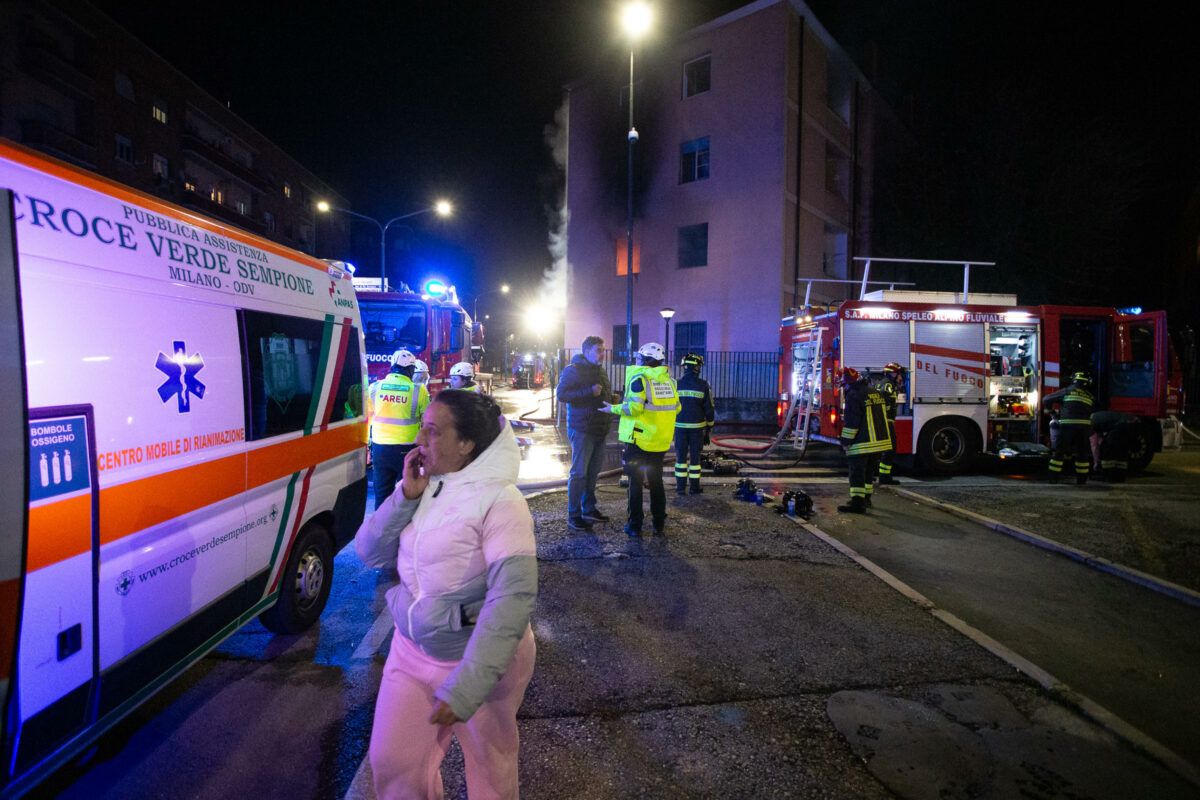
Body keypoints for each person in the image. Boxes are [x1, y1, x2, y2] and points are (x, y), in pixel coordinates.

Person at [356, 390, 537, 800]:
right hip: (411, 651)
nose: (419, 439)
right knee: (393, 764)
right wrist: (406, 495)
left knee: (490, 774)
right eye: (421, 426)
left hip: (477, 660)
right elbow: (368, 552)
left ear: (466, 444)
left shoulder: (502, 501)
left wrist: (468, 685)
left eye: (432, 431)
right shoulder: (423, 487)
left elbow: (514, 596)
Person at [602, 342, 679, 536]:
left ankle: (634, 525)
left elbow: (633, 408)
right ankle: (659, 522)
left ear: (646, 360)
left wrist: (612, 408)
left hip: (639, 440)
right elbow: (676, 408)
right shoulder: (670, 381)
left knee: (635, 482)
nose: (636, 360)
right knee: (656, 481)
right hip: (660, 441)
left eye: (639, 357)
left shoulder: (640, 379)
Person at [555, 335, 614, 531]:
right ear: (587, 351)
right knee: (579, 473)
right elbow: (562, 394)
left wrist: (611, 398)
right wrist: (589, 392)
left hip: (600, 428)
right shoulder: (573, 370)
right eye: (598, 350)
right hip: (583, 429)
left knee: (593, 472)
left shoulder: (600, 371)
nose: (602, 354)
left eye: (603, 350)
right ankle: (574, 514)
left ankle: (589, 509)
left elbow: (602, 394)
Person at [369, 349, 431, 507]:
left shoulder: (375, 388)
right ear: (411, 370)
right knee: (407, 497)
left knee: (382, 495)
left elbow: (368, 418)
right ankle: (405, 530)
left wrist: (368, 446)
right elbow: (428, 421)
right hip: (408, 450)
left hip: (380, 448)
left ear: (392, 367)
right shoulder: (419, 390)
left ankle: (381, 529)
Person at [836, 367, 891, 513]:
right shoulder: (874, 392)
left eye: (843, 384)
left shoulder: (853, 395)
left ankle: (857, 504)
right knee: (869, 473)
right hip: (879, 442)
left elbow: (852, 422)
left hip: (862, 443)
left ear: (847, 382)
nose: (843, 387)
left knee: (857, 473)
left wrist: (846, 442)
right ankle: (866, 499)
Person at [673, 352, 715, 494]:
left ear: (685, 367)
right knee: (695, 459)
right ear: (696, 367)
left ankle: (680, 488)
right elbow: (709, 409)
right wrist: (709, 427)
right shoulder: (703, 385)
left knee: (680, 458)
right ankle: (694, 488)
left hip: (679, 427)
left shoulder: (675, 384)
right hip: (697, 429)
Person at [1043, 371, 1094, 484]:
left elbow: (1046, 399)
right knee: (1082, 455)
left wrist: (1052, 413)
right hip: (1084, 428)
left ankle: (1053, 479)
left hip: (1067, 426)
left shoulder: (1067, 391)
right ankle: (1081, 480)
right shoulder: (1090, 396)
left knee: (1059, 452)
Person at [1090, 410, 1141, 482]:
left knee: (1106, 448)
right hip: (1136, 425)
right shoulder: (1095, 417)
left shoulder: (1090, 424)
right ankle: (1120, 476)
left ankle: (1107, 476)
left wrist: (1096, 462)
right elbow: (1099, 440)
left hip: (1123, 425)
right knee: (1121, 450)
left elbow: (1094, 445)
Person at [876, 362, 905, 485]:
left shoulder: (884, 383)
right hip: (886, 421)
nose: (901, 378)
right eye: (899, 375)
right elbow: (884, 403)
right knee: (890, 449)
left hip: (883, 421)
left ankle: (883, 475)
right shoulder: (888, 385)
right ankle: (884, 476)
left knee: (887, 449)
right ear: (893, 374)